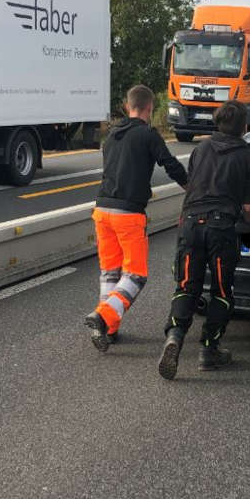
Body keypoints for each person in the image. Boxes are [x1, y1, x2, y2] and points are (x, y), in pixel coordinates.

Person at [157, 101, 250, 379]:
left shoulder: (200, 149)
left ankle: (175, 337)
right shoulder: (249, 159)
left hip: (190, 224)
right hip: (221, 228)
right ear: (244, 127)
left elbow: (193, 185)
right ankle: (209, 349)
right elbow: (249, 210)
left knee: (187, 285)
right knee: (221, 291)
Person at [84, 84, 188, 352]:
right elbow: (171, 165)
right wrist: (193, 187)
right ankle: (103, 316)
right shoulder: (148, 134)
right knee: (136, 275)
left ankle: (109, 329)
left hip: (101, 211)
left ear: (127, 106)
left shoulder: (112, 135)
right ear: (149, 108)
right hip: (127, 214)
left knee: (110, 273)